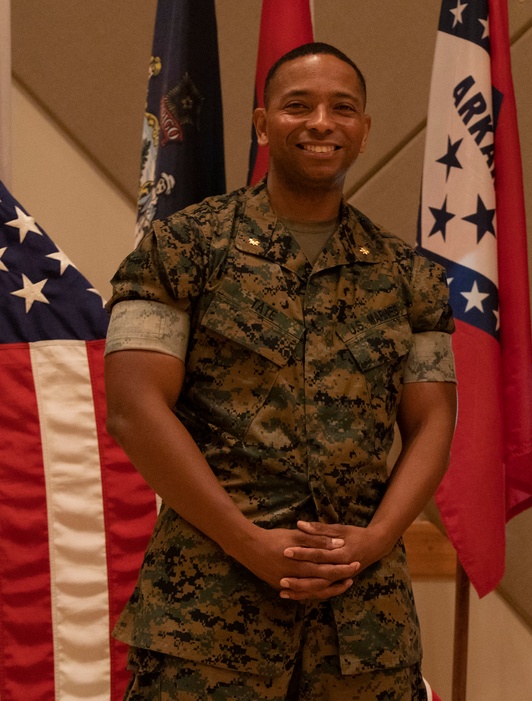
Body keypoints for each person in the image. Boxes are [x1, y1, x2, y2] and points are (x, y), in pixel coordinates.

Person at [104, 42, 456, 700]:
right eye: (299, 106)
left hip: (362, 623)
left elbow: (433, 417)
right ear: (263, 125)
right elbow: (132, 407)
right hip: (208, 616)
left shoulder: (410, 275)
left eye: (342, 108)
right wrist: (249, 542)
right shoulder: (181, 249)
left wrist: (377, 538)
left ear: (364, 129)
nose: (322, 122)